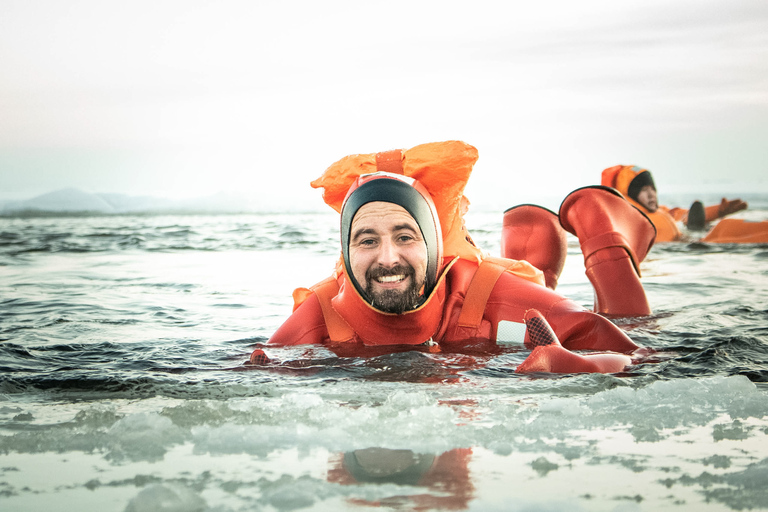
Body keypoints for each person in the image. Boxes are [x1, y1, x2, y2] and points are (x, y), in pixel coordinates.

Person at [251, 141, 653, 374]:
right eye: (367, 240)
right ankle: (534, 239)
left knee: (628, 317)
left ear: (432, 243)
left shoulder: (496, 296)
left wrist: (578, 367)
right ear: (346, 249)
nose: (387, 259)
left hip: (501, 297)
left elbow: (643, 358)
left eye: (405, 236)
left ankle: (604, 230)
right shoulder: (324, 314)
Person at [600, 165, 767, 243]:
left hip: (693, 239)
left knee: (725, 225)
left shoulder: (662, 211)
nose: (651, 194)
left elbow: (683, 215)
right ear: (630, 196)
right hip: (691, 248)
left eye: (653, 188)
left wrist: (719, 211)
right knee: (721, 233)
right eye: (643, 190)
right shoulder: (628, 220)